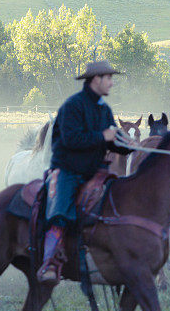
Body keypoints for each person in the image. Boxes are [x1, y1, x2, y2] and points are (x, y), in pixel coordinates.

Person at [37, 60, 131, 284]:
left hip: (97, 172)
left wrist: (124, 144)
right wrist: (103, 137)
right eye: (109, 78)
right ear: (96, 80)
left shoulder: (104, 109)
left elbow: (111, 142)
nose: (112, 83)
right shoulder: (72, 106)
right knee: (60, 212)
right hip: (68, 170)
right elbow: (71, 140)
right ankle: (49, 263)